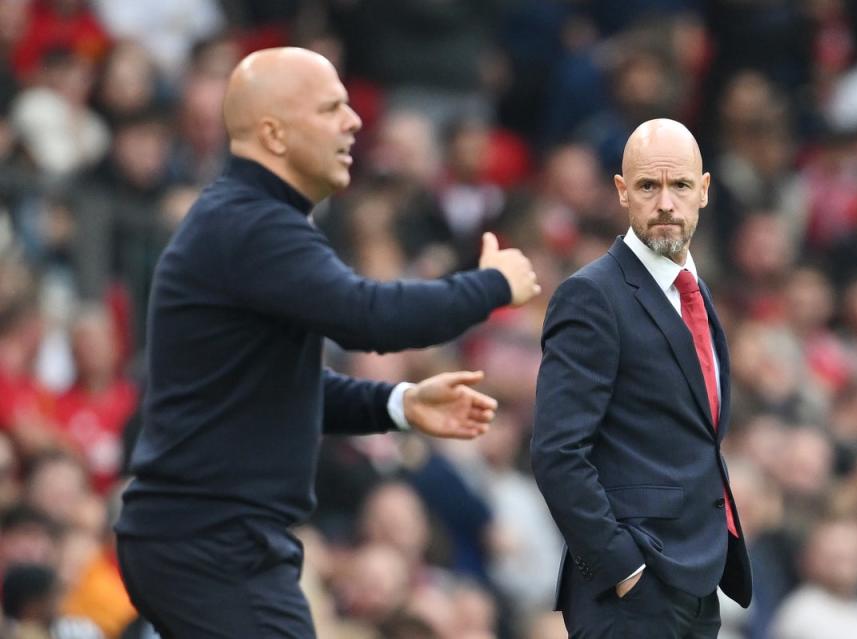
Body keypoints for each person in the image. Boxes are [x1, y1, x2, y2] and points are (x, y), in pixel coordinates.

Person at [113, 47, 540, 639]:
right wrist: (490, 284)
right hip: (211, 545)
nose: (354, 122)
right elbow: (369, 317)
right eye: (330, 108)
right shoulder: (253, 223)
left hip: (206, 540)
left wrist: (398, 405)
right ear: (273, 133)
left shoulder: (247, 219)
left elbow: (277, 389)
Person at [530, 118, 751, 638]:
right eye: (649, 186)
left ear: (704, 191)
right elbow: (557, 452)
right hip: (632, 594)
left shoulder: (692, 289)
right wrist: (624, 568)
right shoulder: (591, 296)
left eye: (679, 186)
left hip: (697, 579)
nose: (666, 203)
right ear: (622, 193)